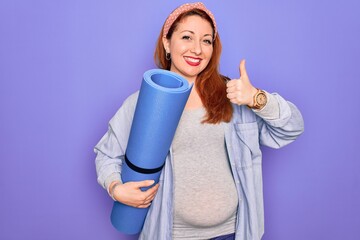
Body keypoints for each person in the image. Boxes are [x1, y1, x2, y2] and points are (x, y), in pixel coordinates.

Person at [94, 2, 304, 240]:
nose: (197, 49)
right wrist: (115, 188)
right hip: (170, 234)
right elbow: (106, 154)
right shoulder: (142, 103)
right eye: (187, 37)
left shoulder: (234, 96)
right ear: (167, 43)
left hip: (233, 233)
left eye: (206, 41)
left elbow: (291, 129)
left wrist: (257, 98)